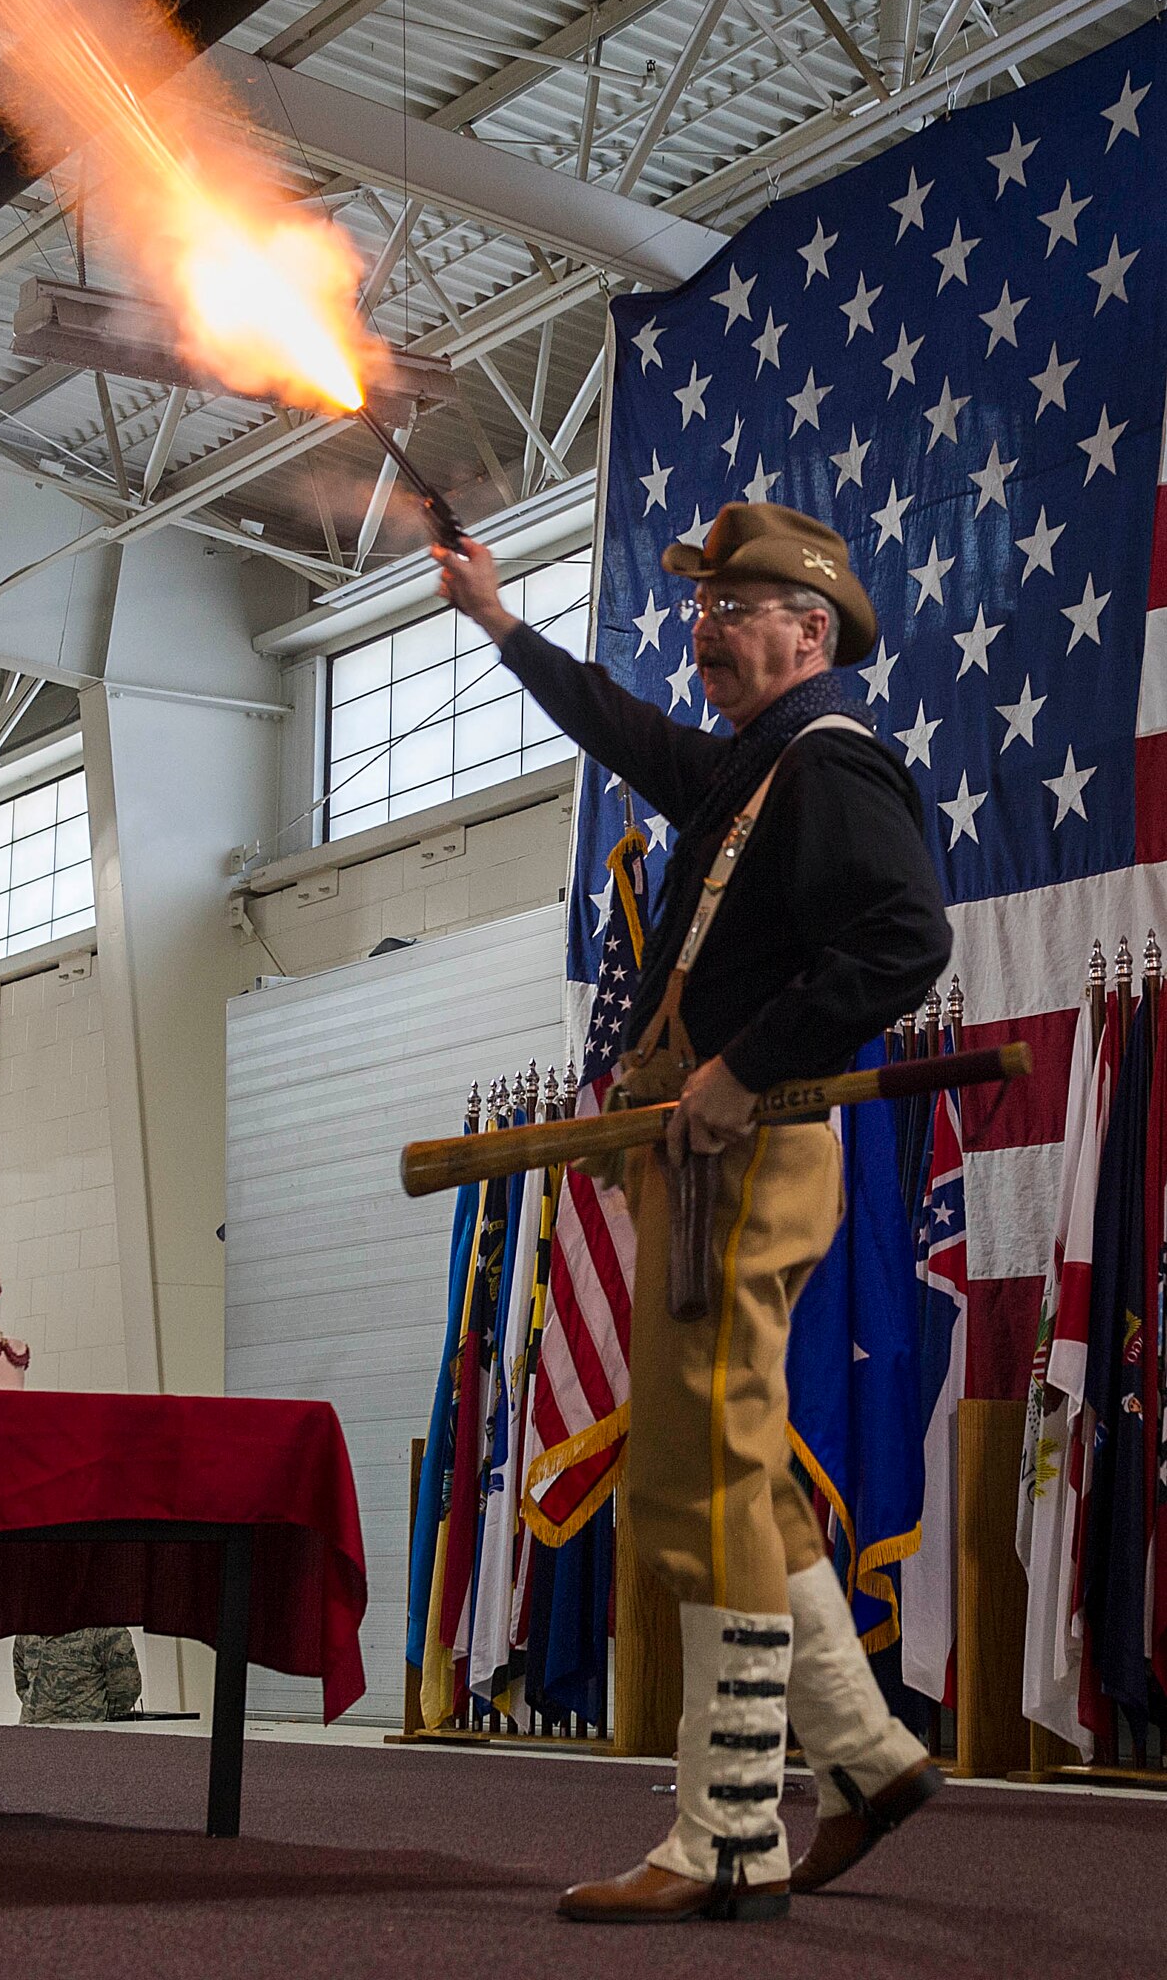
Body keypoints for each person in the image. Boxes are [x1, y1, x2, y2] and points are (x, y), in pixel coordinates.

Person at [436, 501, 953, 1924]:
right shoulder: (755, 771)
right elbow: (631, 736)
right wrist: (498, 625)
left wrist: (743, 1067)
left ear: (811, 631)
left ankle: (728, 1827)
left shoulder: (828, 765)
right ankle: (857, 1753)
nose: (701, 629)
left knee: (698, 1486)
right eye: (699, 608)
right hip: (701, 1160)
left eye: (733, 608)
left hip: (744, 1152)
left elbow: (904, 938)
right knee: (724, 1476)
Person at [13, 1626, 142, 1724]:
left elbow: (127, 1689)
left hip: (84, 1735)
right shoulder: (27, 1632)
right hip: (31, 1732)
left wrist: (99, 1720)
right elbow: (22, 1684)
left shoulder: (106, 1631)